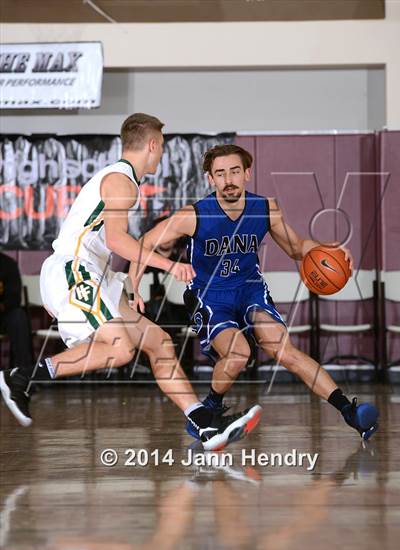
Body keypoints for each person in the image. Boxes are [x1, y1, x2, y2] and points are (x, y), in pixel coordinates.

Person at [0, 119, 261, 452]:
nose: (162, 154)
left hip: (97, 275)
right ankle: (21, 377)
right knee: (121, 349)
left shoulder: (122, 180)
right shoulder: (120, 181)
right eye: (162, 146)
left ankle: (203, 424)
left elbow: (113, 242)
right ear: (152, 145)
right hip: (74, 270)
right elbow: (117, 240)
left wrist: (131, 286)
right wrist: (169, 265)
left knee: (159, 342)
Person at [137, 144, 379, 441]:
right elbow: (144, 242)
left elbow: (295, 247)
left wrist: (326, 248)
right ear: (211, 179)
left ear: (247, 174)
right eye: (221, 173)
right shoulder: (194, 215)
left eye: (235, 171)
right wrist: (136, 284)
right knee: (239, 354)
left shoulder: (265, 208)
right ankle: (208, 409)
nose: (229, 179)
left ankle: (349, 412)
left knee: (284, 350)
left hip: (250, 289)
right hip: (210, 295)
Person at [0, 252, 33, 368]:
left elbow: (14, 298)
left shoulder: (8, 264)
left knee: (18, 316)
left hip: (4, 315)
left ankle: (23, 372)